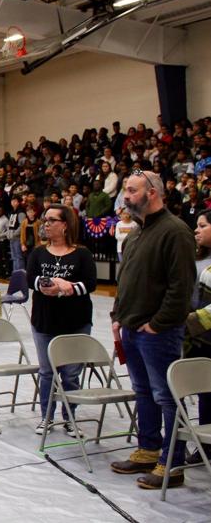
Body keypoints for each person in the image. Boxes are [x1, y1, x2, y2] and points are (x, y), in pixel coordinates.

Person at [110, 170, 195, 489]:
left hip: (158, 333)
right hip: (132, 328)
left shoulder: (175, 231)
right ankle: (148, 449)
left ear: (153, 193)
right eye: (125, 191)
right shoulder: (135, 233)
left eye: (131, 190)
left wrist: (157, 324)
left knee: (167, 396)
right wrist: (118, 315)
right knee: (144, 391)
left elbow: (180, 287)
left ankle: (171, 463)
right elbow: (126, 280)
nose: (126, 197)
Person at [26, 204, 96, 437]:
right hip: (45, 321)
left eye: (51, 220)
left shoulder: (82, 254)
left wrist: (67, 288)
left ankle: (69, 417)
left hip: (76, 321)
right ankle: (47, 417)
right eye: (45, 220)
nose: (46, 223)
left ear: (65, 224)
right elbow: (30, 279)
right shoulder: (38, 253)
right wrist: (45, 287)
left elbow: (90, 283)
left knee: (71, 374)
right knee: (47, 372)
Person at [185, 209, 211, 464]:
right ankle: (205, 447)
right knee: (205, 392)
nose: (196, 230)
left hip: (199, 327)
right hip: (197, 338)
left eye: (202, 225)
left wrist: (192, 320)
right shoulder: (195, 259)